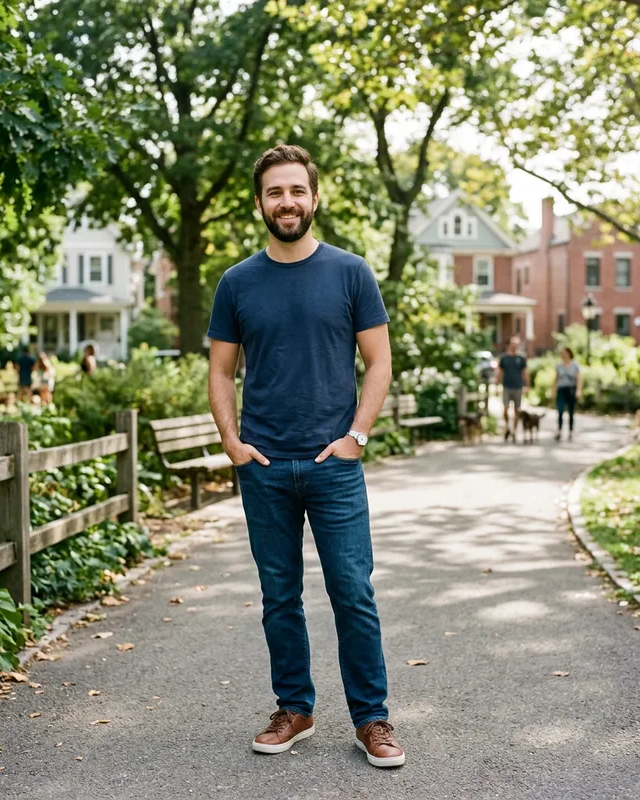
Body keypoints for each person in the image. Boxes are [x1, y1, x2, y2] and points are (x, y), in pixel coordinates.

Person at [207, 145, 402, 768]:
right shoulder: (237, 282)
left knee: (353, 593)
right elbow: (220, 370)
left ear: (314, 198)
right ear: (260, 203)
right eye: (275, 192)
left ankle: (371, 719)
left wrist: (357, 437)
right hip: (264, 468)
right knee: (279, 597)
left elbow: (379, 361)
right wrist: (232, 442)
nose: (286, 202)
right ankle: (294, 708)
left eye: (296, 190)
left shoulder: (351, 272)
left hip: (333, 467)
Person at [496, 336, 528, 442]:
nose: (515, 346)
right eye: (513, 344)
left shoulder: (521, 358)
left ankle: (514, 431)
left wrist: (527, 386)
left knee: (516, 410)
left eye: (516, 344)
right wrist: (496, 386)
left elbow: (525, 372)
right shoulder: (504, 358)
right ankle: (507, 427)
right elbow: (500, 372)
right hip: (506, 386)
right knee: (505, 409)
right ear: (510, 344)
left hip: (518, 387)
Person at [553, 346, 582, 441]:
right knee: (560, 410)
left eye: (565, 353)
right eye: (562, 353)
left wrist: (578, 390)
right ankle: (559, 430)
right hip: (561, 389)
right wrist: (552, 390)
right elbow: (556, 378)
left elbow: (579, 378)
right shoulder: (559, 365)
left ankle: (571, 431)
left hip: (571, 389)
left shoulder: (575, 365)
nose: (563, 355)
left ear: (569, 353)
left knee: (571, 411)